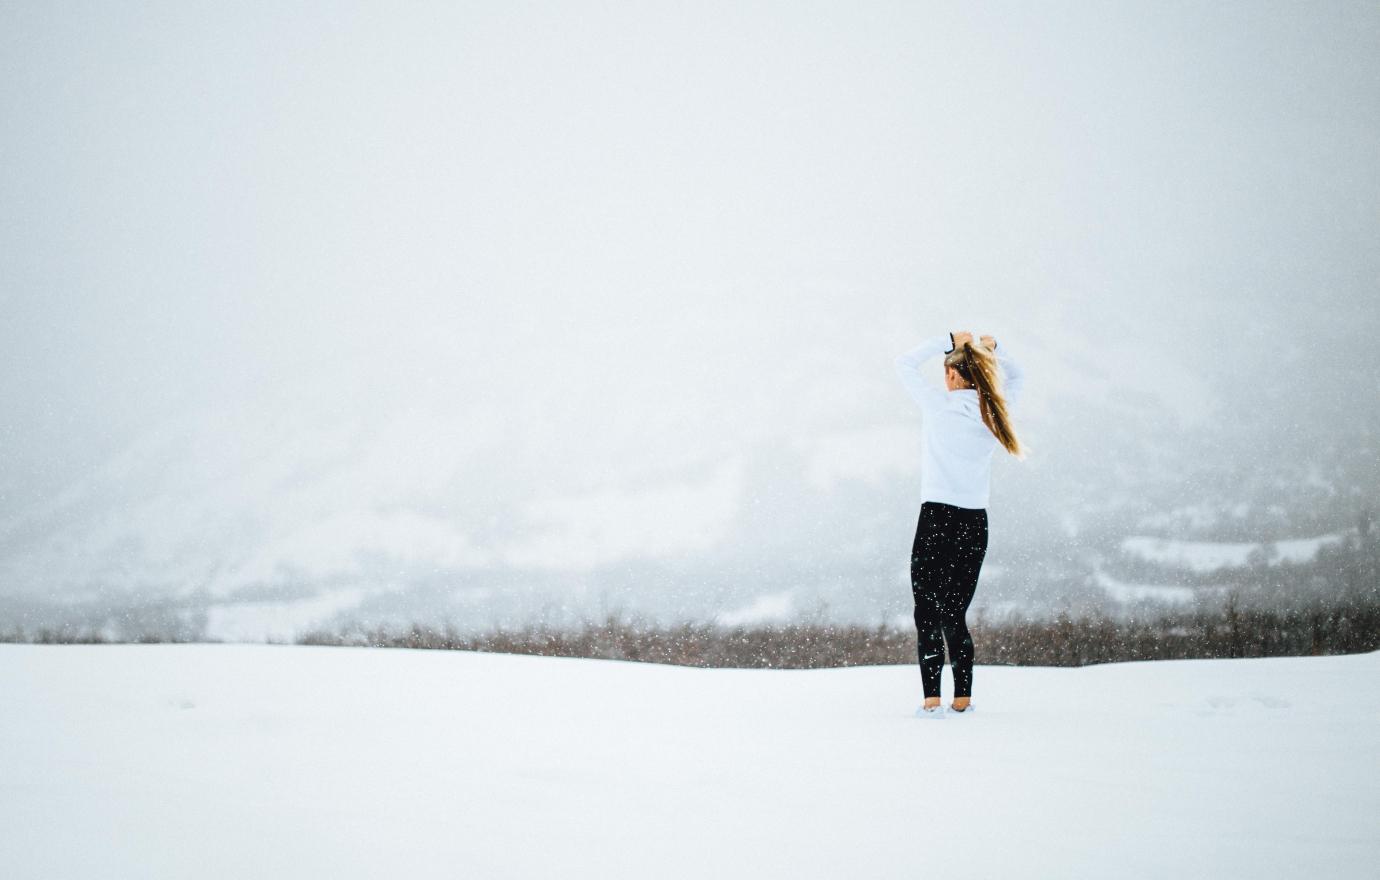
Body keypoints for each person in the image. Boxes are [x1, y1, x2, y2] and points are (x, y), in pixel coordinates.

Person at [894, 330, 1026, 717]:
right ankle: (963, 698)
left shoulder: (938, 406)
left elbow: (902, 363)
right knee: (955, 613)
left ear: (952, 377)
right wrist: (993, 348)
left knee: (927, 612)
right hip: (973, 522)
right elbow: (1020, 376)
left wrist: (947, 339)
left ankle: (932, 699)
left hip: (936, 518)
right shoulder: (993, 411)